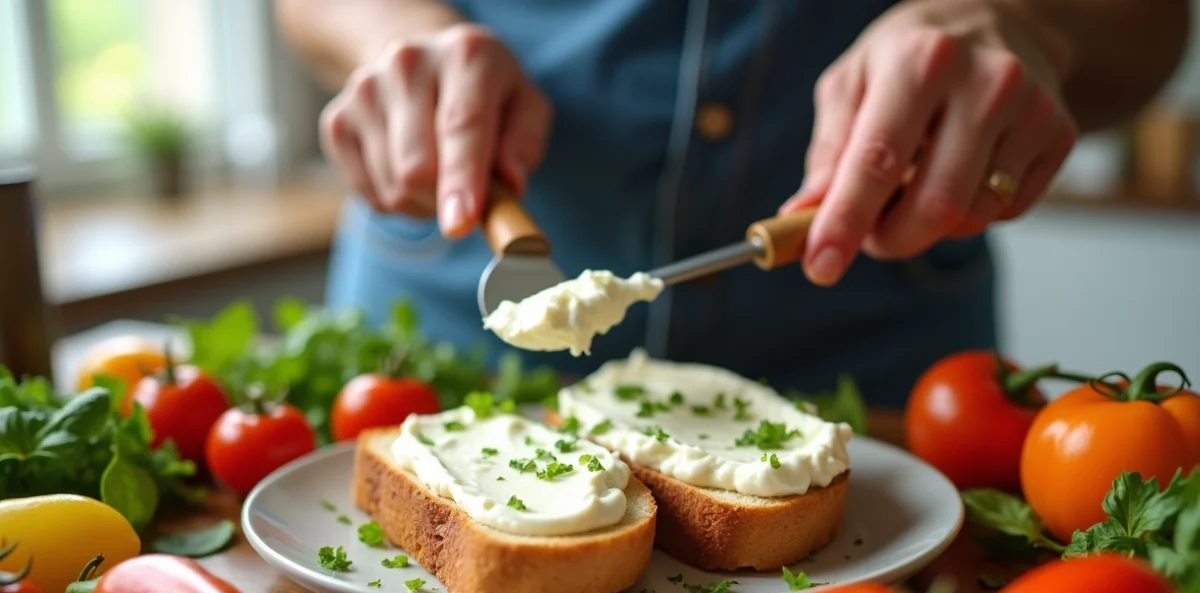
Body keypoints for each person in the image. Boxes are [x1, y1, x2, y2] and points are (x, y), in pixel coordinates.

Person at [275, 0, 1189, 407]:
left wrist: (1026, 21)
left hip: (869, 376)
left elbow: (1152, 24)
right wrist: (390, 32)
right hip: (439, 345)